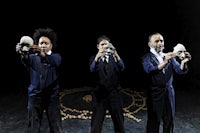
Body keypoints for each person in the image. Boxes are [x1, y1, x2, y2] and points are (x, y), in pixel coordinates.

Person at [141, 32, 192, 133]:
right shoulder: (146, 58)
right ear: (149, 44)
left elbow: (180, 70)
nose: (160, 43)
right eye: (157, 41)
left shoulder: (169, 56)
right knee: (154, 122)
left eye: (161, 41)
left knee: (169, 121)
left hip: (169, 94)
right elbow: (150, 70)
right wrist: (165, 62)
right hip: (155, 95)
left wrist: (183, 62)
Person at [16, 27, 63, 133]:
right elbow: (26, 60)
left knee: (55, 125)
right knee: (33, 126)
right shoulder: (33, 57)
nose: (43, 45)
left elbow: (55, 61)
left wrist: (43, 55)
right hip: (35, 96)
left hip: (52, 97)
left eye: (46, 43)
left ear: (51, 45)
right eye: (41, 43)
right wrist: (23, 53)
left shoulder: (56, 57)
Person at [89, 35, 125, 133]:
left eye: (107, 44)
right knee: (96, 123)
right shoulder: (94, 59)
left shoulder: (114, 58)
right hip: (99, 96)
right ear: (98, 46)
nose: (105, 47)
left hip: (114, 95)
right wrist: (97, 57)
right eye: (102, 44)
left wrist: (116, 54)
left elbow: (122, 68)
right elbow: (91, 70)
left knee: (119, 122)